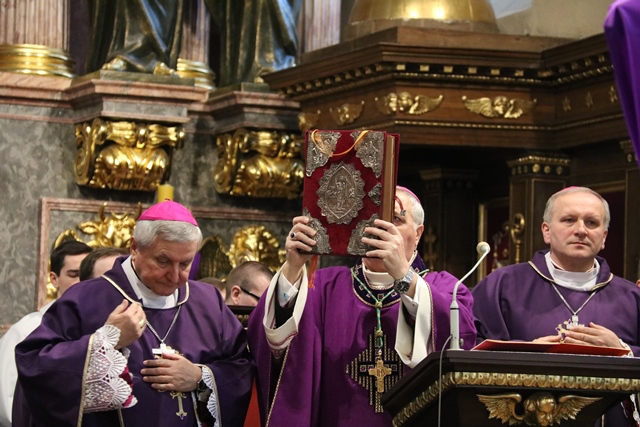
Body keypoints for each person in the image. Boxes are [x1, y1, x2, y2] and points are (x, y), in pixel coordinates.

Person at [247, 186, 476, 426]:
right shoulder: (323, 288)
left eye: (395, 219)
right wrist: (293, 268)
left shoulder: (446, 289)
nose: (381, 230)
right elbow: (272, 343)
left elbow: (461, 340)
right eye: (370, 218)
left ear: (418, 234)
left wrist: (403, 276)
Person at [13, 200, 253, 426]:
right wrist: (106, 341)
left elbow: (241, 368)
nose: (175, 276)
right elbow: (35, 365)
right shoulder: (86, 299)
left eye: (185, 264)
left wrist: (200, 378)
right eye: (163, 261)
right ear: (135, 248)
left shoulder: (208, 302)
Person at [472, 186, 640, 427]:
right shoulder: (502, 286)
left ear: (603, 237)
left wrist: (623, 351)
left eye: (591, 223)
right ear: (547, 231)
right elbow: (468, 349)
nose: (581, 230)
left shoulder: (631, 297)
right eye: (569, 220)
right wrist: (526, 353)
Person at [0, 240, 93, 427]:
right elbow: (6, 400)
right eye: (73, 275)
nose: (81, 282)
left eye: (86, 275)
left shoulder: (104, 328)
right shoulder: (27, 330)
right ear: (54, 279)